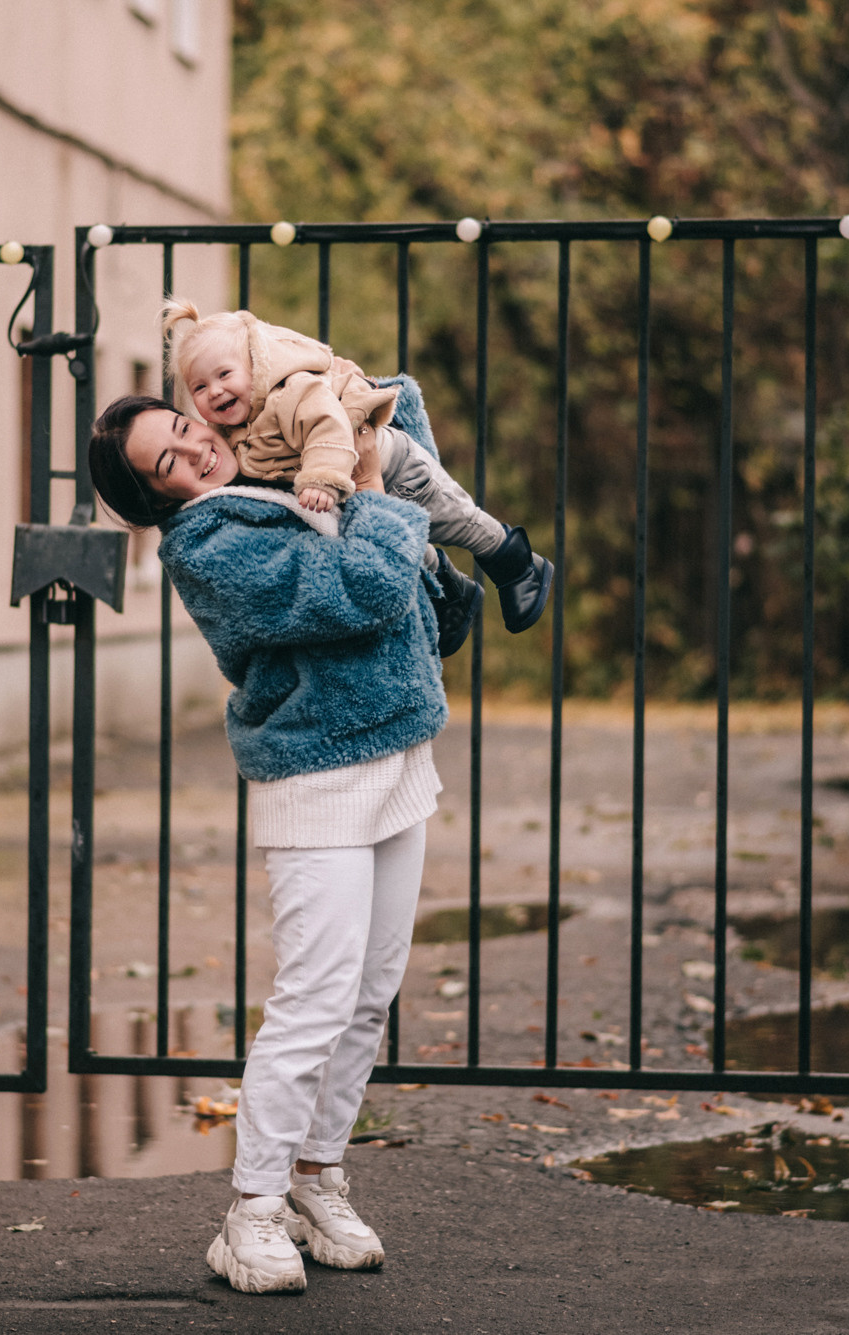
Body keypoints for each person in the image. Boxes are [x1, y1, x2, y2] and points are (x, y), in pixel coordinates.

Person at [88, 393, 448, 1295]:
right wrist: (370, 486)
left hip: (402, 747)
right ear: (155, 497)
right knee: (315, 998)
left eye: (186, 426)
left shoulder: (281, 466)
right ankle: (250, 1211)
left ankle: (317, 1178)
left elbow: (392, 421)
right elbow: (364, 591)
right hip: (318, 775)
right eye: (167, 460)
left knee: (371, 992)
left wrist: (338, 405)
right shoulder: (206, 546)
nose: (196, 448)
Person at [162, 297, 553, 636]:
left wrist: (319, 479)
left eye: (225, 375)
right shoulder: (234, 430)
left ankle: (517, 563)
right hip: (348, 491)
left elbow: (327, 428)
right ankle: (453, 592)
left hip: (395, 468)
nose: (214, 391)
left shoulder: (292, 392)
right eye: (199, 387)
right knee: (403, 541)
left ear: (257, 366)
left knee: (455, 521)